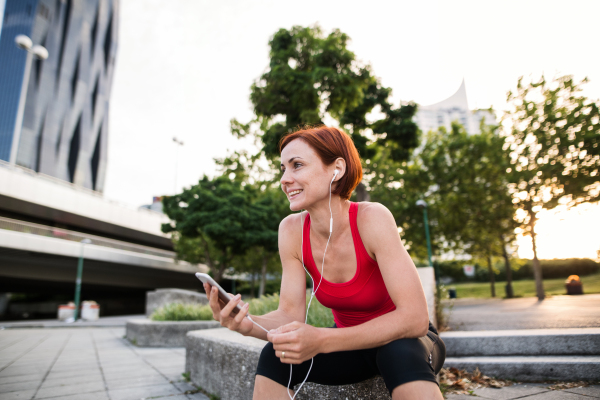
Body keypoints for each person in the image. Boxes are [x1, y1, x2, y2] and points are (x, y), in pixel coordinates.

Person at [203, 126, 446, 400]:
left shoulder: (372, 219)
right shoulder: (291, 231)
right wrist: (248, 324)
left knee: (399, 352)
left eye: (297, 165)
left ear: (337, 169)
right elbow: (290, 315)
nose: (285, 179)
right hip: (349, 347)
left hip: (409, 344)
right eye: (282, 168)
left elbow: (414, 320)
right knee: (275, 354)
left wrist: (322, 340)